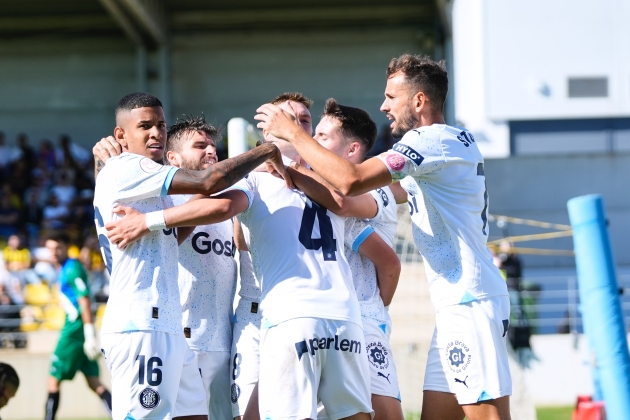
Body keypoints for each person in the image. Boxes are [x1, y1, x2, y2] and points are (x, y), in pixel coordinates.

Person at [104, 94, 401, 420]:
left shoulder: (256, 181)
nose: (299, 125)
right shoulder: (334, 190)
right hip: (335, 319)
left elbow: (223, 207)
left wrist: (147, 221)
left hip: (288, 319)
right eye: (292, 121)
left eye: (305, 122)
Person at [255, 54, 512, 420]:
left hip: (470, 301)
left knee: (487, 416)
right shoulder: (443, 148)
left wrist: (293, 134)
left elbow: (350, 181)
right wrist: (290, 172)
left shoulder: (429, 142)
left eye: (391, 97)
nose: (383, 106)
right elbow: (348, 201)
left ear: (419, 101)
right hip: (458, 302)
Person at [93, 92, 288, 420]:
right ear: (121, 135)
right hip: (141, 324)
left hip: (167, 326)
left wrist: (147, 220)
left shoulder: (147, 185)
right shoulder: (129, 166)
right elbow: (209, 183)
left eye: (160, 125)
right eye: (145, 126)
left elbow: (184, 221)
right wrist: (268, 150)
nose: (156, 132)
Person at [309, 98, 405, 420]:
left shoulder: (378, 190)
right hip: (324, 319)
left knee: (384, 412)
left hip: (364, 321)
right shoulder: (312, 190)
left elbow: (390, 264)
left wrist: (375, 306)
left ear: (351, 151)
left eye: (323, 137)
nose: (313, 142)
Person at [44, 232, 112, 420]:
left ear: (66, 247)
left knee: (53, 380)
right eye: (50, 249)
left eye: (58, 248)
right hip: (80, 330)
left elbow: (83, 300)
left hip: (74, 330)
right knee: (95, 383)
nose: (54, 252)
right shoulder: (68, 267)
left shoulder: (71, 268)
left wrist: (90, 334)